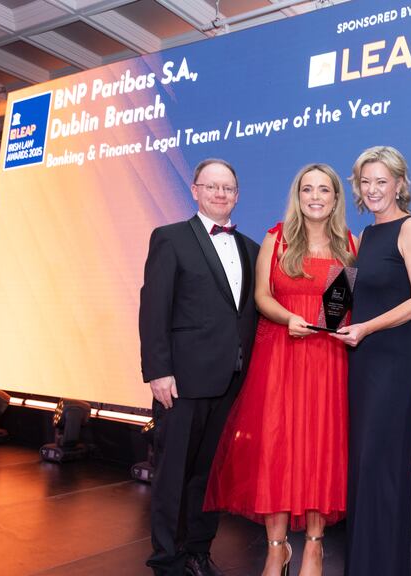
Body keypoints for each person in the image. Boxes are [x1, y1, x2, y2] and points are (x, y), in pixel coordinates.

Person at [204, 164, 356, 576]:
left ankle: (313, 546)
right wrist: (288, 318)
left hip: (326, 361)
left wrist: (328, 325)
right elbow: (261, 296)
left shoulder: (349, 245)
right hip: (280, 355)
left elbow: (337, 311)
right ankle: (276, 548)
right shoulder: (277, 238)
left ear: (336, 198)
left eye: (324, 189)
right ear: (298, 196)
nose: (315, 196)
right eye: (307, 189)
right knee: (277, 449)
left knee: (319, 450)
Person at [139, 158, 260, 576]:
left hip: (230, 380)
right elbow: (153, 310)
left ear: (237, 195)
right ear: (195, 190)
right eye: (212, 187)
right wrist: (158, 370)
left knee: (208, 477)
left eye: (227, 188)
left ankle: (196, 552)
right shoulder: (170, 238)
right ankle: (166, 560)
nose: (220, 194)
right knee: (173, 474)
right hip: (182, 381)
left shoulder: (251, 249)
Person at [332, 146, 411, 576]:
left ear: (399, 184)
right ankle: (364, 563)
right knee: (364, 464)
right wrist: (313, 321)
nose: (373, 190)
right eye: (365, 182)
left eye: (381, 181)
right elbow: (344, 299)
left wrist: (368, 328)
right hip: (363, 359)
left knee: (382, 462)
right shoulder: (367, 235)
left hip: (392, 359)